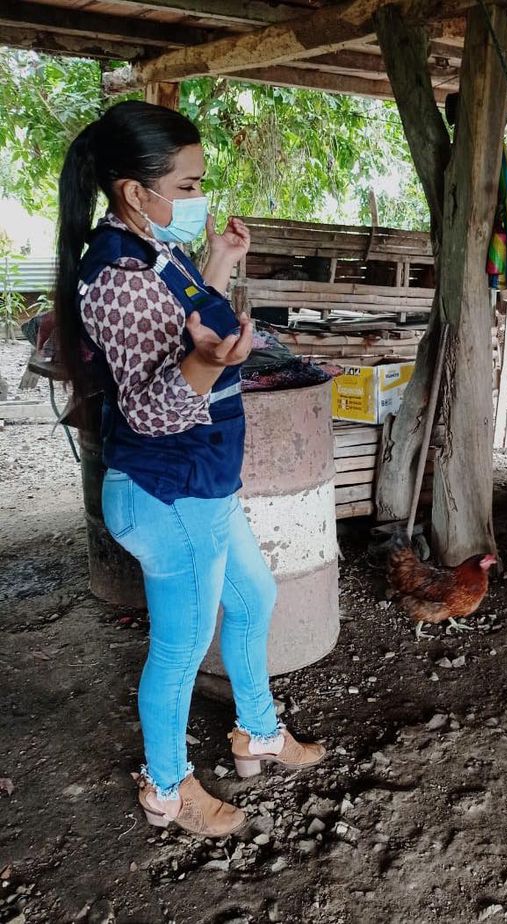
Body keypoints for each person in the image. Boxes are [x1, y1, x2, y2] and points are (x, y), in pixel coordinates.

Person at [55, 101, 326, 837]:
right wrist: (209, 364)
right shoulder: (117, 275)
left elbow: (185, 327)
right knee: (178, 651)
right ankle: (167, 789)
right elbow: (152, 410)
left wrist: (219, 262)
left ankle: (258, 733)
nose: (199, 195)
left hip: (200, 483)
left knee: (254, 597)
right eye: (188, 185)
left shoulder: (153, 249)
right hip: (166, 492)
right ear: (133, 190)